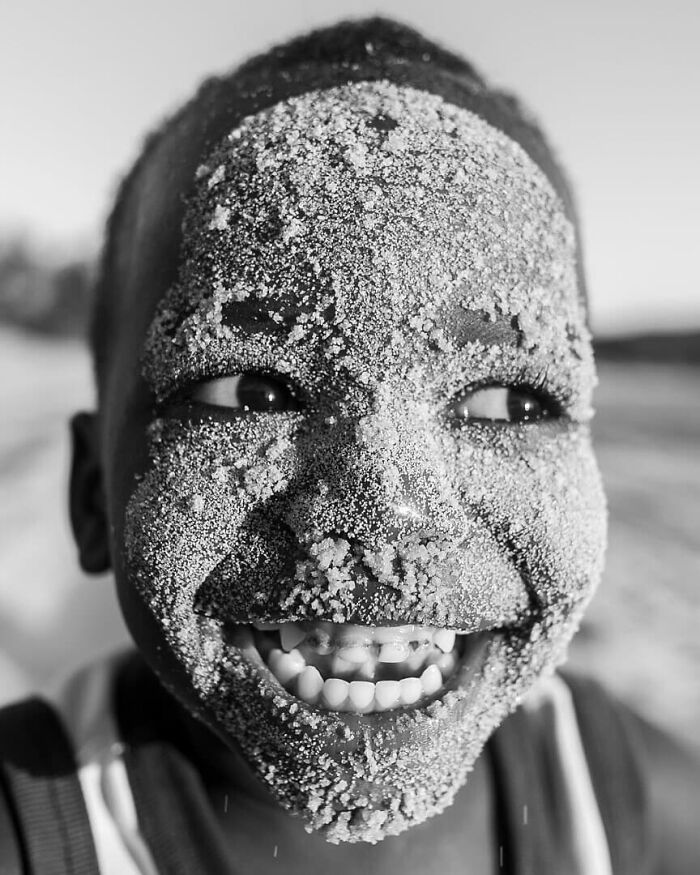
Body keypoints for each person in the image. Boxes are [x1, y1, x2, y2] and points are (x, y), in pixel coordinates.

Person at [0, 17, 697, 875]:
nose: (386, 503)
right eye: (248, 390)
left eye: (511, 401)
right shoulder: (29, 828)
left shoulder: (637, 801)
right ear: (93, 493)